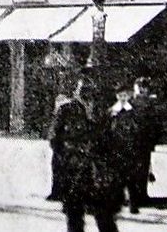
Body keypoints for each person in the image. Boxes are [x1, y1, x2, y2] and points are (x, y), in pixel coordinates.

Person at [49, 69, 122, 232]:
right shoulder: (66, 110)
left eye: (89, 89)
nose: (86, 93)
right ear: (76, 91)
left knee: (104, 216)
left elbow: (109, 140)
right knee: (74, 217)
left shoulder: (102, 112)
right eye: (82, 89)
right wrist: (66, 158)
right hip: (73, 170)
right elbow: (54, 138)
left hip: (96, 172)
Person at [130, 76, 164, 209]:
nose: (141, 91)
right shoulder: (132, 103)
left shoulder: (148, 103)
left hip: (144, 140)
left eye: (144, 88)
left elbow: (155, 122)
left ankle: (141, 195)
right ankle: (136, 196)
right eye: (140, 88)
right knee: (136, 168)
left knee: (143, 167)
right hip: (135, 141)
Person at [108, 84, 141, 213]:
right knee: (117, 177)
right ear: (117, 96)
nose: (123, 98)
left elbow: (136, 129)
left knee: (131, 178)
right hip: (116, 147)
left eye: (125, 96)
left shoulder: (132, 111)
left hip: (129, 147)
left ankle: (134, 204)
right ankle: (118, 203)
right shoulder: (112, 111)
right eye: (120, 96)